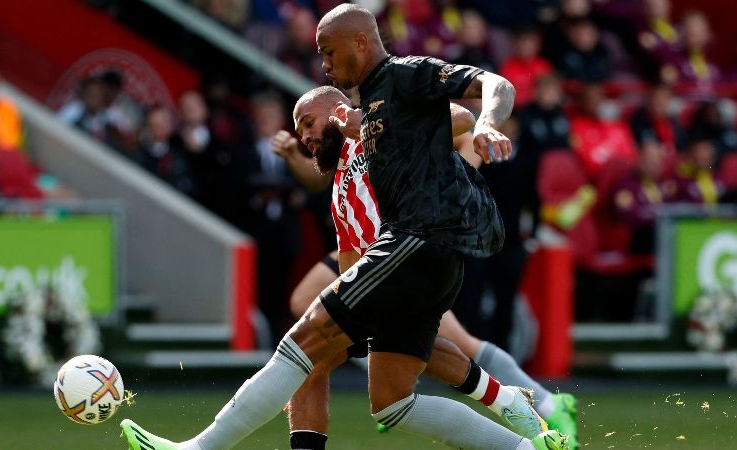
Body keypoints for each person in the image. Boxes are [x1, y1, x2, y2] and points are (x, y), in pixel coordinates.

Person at [120, 4, 566, 450]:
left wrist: (479, 123)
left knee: (305, 342)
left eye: (308, 123)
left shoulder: (394, 91)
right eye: (300, 133)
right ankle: (525, 441)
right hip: (412, 258)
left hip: (415, 244)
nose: (306, 137)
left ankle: (198, 449)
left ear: (338, 105)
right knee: (391, 401)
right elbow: (349, 257)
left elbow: (470, 108)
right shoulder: (343, 181)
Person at [273, 87, 578, 450]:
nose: (327, 63)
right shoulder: (349, 124)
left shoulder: (389, 97)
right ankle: (400, 373)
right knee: (310, 320)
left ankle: (541, 403)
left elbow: (460, 134)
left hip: (404, 251)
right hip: (365, 242)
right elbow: (322, 176)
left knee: (447, 345)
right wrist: (296, 155)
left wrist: (461, 165)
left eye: (330, 54)